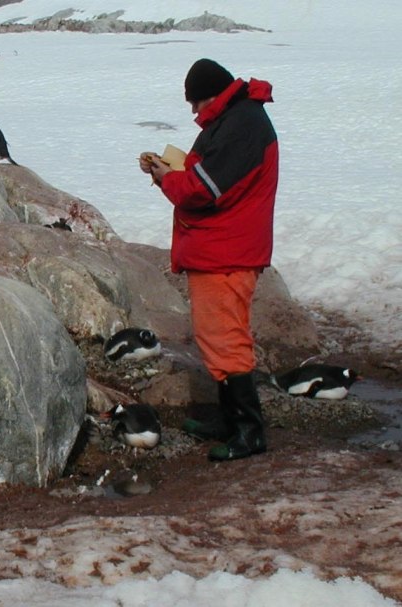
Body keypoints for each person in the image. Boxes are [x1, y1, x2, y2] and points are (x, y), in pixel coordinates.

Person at [138, 58, 278, 462]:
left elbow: (204, 189)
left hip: (228, 251)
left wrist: (167, 177)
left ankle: (249, 432)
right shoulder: (236, 118)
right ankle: (229, 420)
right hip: (221, 247)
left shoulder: (242, 125)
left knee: (226, 337)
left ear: (213, 96)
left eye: (196, 103)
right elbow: (206, 174)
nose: (194, 112)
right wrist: (167, 172)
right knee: (215, 335)